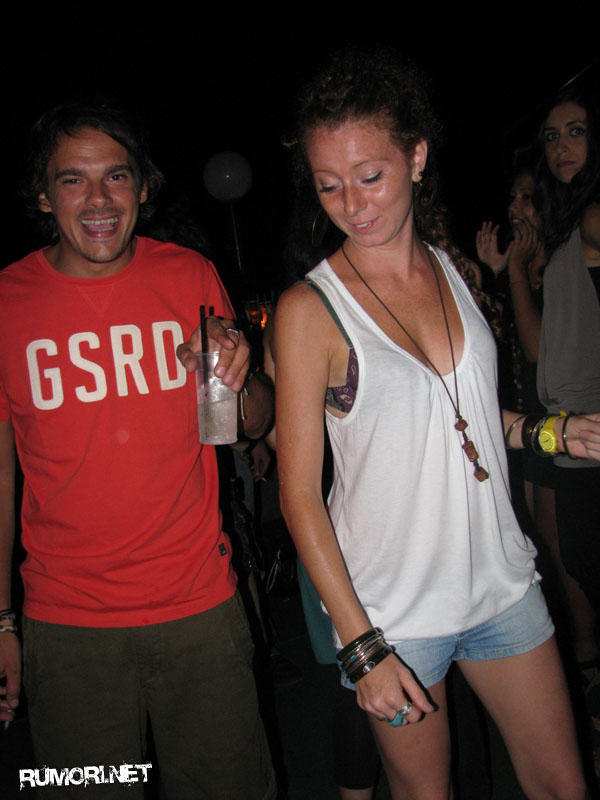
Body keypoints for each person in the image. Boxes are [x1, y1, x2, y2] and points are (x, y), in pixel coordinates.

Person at [275, 47, 600, 799]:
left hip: (501, 586)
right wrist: (361, 647)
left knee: (564, 787)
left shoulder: (453, 269)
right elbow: (297, 495)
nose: (352, 204)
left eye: (370, 175)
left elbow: (466, 417)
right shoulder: (309, 310)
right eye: (328, 185)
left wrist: (551, 432)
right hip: (393, 616)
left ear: (416, 157)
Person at [0, 102, 275, 800]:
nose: (99, 199)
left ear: (143, 187)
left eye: (116, 176)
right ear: (43, 195)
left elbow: (248, 423)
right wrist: (2, 620)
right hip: (67, 627)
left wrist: (241, 370)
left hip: (199, 609)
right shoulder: (8, 302)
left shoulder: (189, 274)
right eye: (73, 180)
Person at [477, 160, 598, 674]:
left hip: (563, 420)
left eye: (527, 197)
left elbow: (535, 348)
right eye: (513, 196)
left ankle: (586, 651)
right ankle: (577, 647)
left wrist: (515, 273)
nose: (515, 207)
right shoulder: (529, 264)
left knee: (567, 544)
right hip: (526, 419)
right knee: (548, 539)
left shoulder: (564, 262)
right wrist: (497, 274)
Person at [535, 87, 600, 623]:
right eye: (552, 136)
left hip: (593, 425)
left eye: (576, 132)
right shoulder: (568, 225)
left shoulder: (593, 217)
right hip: (571, 429)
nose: (562, 146)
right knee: (581, 562)